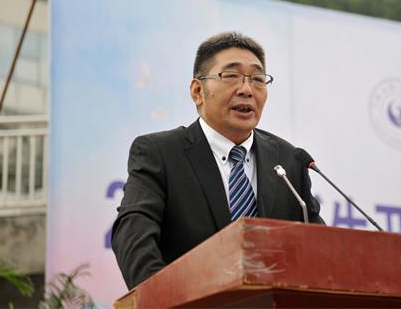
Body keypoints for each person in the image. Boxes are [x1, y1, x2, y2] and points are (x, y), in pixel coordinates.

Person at [111, 32, 323, 289]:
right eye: (231, 76)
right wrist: (164, 298)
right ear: (197, 91)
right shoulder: (160, 153)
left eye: (257, 79)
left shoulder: (290, 161)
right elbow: (133, 236)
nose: (247, 90)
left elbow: (320, 250)